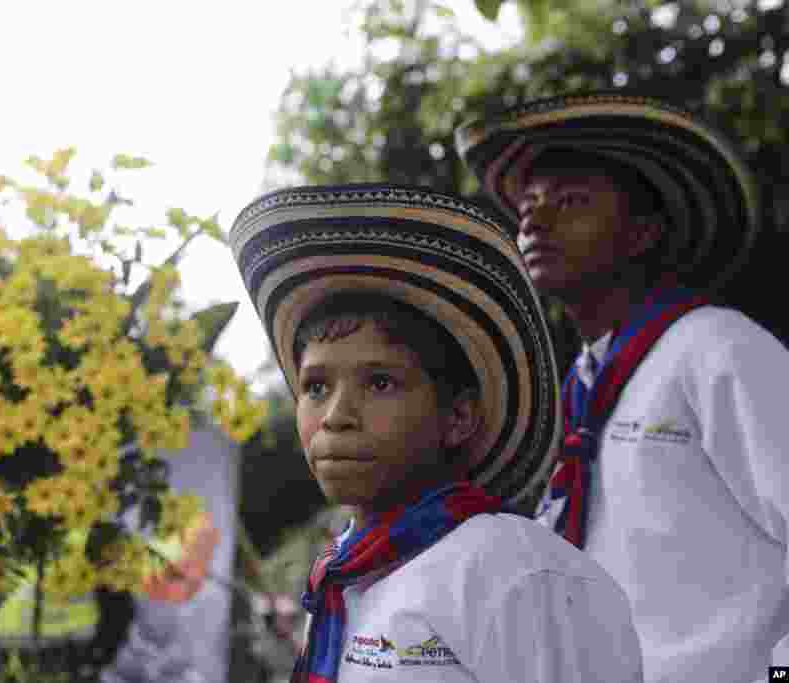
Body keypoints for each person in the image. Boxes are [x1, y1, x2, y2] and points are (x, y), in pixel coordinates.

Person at [228, 184, 643, 682]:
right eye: (315, 386)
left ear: (458, 418)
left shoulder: (515, 574)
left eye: (380, 382)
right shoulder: (346, 575)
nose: (336, 415)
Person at [456, 91, 789, 683]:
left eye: (571, 201)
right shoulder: (576, 399)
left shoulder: (715, 347)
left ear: (642, 233)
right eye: (529, 204)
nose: (534, 218)